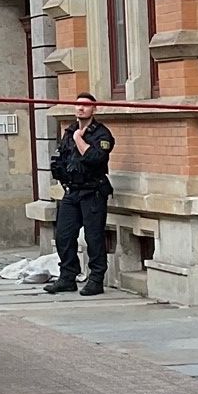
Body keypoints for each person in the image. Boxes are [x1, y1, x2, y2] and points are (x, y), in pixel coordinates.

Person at [46, 92, 115, 297]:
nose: (80, 109)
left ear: (94, 109)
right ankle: (67, 277)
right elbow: (61, 157)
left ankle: (96, 280)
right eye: (77, 105)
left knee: (94, 238)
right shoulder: (69, 131)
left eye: (85, 106)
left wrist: (79, 139)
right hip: (71, 192)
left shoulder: (102, 134)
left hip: (92, 192)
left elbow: (95, 158)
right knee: (63, 236)